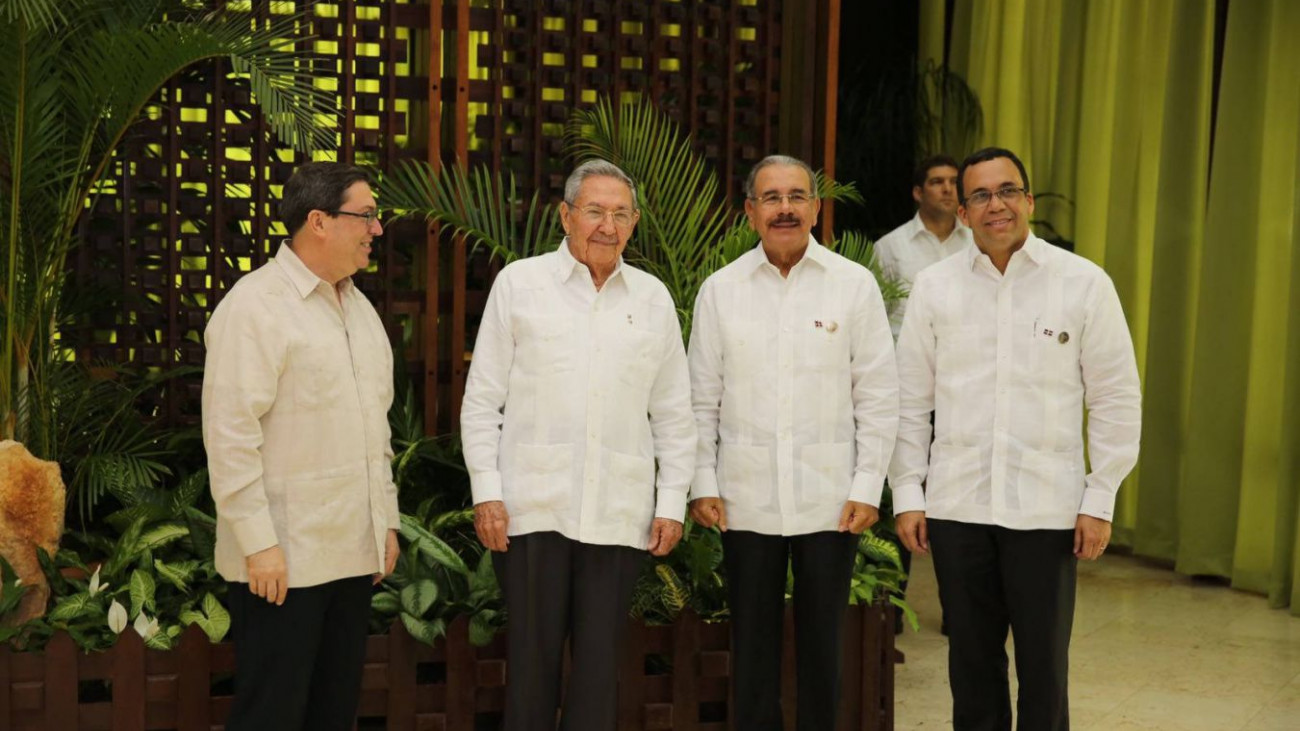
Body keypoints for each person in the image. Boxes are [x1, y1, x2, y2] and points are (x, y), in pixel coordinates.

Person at [889, 147, 1142, 730]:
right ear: (963, 210)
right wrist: (908, 492)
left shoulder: (1083, 284)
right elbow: (909, 402)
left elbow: (1115, 398)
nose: (994, 204)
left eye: (1007, 191)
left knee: (1044, 667)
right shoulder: (934, 287)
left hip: (1046, 510)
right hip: (958, 506)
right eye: (979, 195)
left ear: (1028, 200)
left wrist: (1099, 498)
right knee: (971, 665)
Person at [460, 159, 696, 731]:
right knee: (532, 673)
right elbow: (481, 401)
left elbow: (673, 413)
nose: (606, 226)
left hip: (619, 515)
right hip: (531, 509)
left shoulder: (654, 298)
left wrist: (671, 502)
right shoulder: (520, 284)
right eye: (594, 211)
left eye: (620, 214)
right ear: (565, 216)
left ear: (635, 223)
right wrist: (487, 494)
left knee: (597, 677)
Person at [688, 154, 899, 730]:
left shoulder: (853, 287)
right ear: (750, 211)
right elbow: (700, 399)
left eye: (797, 196)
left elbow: (878, 397)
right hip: (743, 498)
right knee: (751, 647)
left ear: (815, 206)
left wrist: (866, 486)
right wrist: (702, 482)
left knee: (823, 647)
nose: (785, 208)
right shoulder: (720, 290)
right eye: (772, 198)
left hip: (831, 501)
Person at [202, 162, 400, 730]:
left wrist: (383, 519)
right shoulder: (255, 306)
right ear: (318, 221)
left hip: (350, 552)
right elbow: (230, 436)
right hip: (282, 560)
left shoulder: (358, 308)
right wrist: (258, 545)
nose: (376, 229)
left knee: (333, 713)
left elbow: (375, 429)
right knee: (273, 714)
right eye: (365, 215)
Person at [873, 154, 973, 338]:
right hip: (906, 355)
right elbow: (875, 314)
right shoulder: (890, 246)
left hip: (965, 355)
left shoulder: (976, 243)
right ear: (918, 193)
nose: (947, 189)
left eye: (954, 182)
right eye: (937, 182)